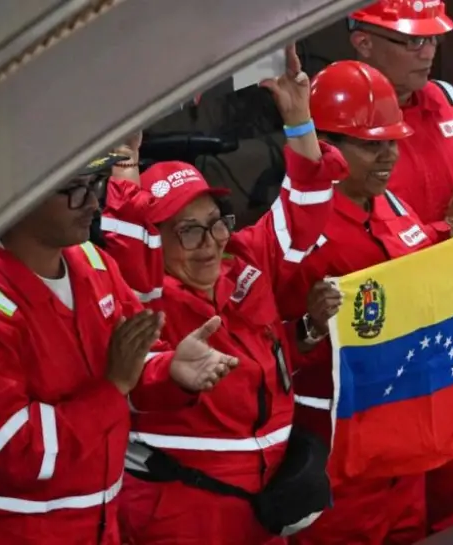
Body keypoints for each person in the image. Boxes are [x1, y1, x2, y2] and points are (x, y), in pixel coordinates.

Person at [0, 154, 240, 545]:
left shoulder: (93, 262)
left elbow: (135, 362)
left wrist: (169, 368)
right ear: (14, 198)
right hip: (14, 533)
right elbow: (12, 453)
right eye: (74, 188)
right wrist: (113, 388)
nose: (92, 202)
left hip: (99, 524)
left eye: (96, 183)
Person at [101, 46, 339, 545]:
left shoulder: (243, 264)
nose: (209, 245)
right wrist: (124, 154)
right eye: (187, 232)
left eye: (215, 224)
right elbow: (125, 235)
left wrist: (298, 118)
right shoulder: (142, 297)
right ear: (155, 243)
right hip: (186, 512)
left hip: (266, 503)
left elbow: (303, 213)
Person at [276, 59, 453, 545]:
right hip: (340, 457)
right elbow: (272, 345)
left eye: (393, 141)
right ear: (327, 148)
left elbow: (415, 267)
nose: (389, 156)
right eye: (372, 146)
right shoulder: (297, 231)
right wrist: (308, 327)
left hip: (403, 444)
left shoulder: (390, 203)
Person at [346, 3, 453, 526]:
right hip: (384, 351)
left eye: (433, 40)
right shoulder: (333, 121)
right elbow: (353, 247)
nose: (427, 52)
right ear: (363, 43)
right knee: (382, 511)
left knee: (445, 500)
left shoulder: (452, 105)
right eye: (411, 42)